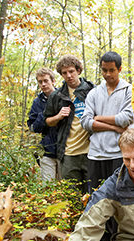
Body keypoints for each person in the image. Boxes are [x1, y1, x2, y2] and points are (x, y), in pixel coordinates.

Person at [81, 51, 134, 241]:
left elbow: (126, 119)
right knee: (98, 196)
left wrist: (99, 118)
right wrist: (113, 127)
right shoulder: (94, 93)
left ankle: (118, 237)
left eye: (112, 70)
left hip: (119, 153)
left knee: (119, 196)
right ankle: (102, 237)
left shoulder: (129, 90)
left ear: (119, 69)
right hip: (96, 154)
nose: (108, 74)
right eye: (104, 70)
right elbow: (85, 122)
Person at [43, 55, 95, 193]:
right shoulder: (57, 95)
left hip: (92, 151)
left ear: (78, 70)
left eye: (71, 71)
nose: (69, 75)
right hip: (68, 153)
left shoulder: (92, 90)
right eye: (64, 73)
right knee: (71, 196)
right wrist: (58, 117)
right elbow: (47, 121)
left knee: (92, 195)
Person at [27, 68, 59, 182]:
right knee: (48, 188)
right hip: (47, 150)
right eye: (40, 82)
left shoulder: (63, 97)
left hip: (65, 150)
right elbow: (33, 127)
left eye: (46, 81)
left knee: (65, 188)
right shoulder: (37, 102)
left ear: (53, 81)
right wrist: (45, 117)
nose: (43, 84)